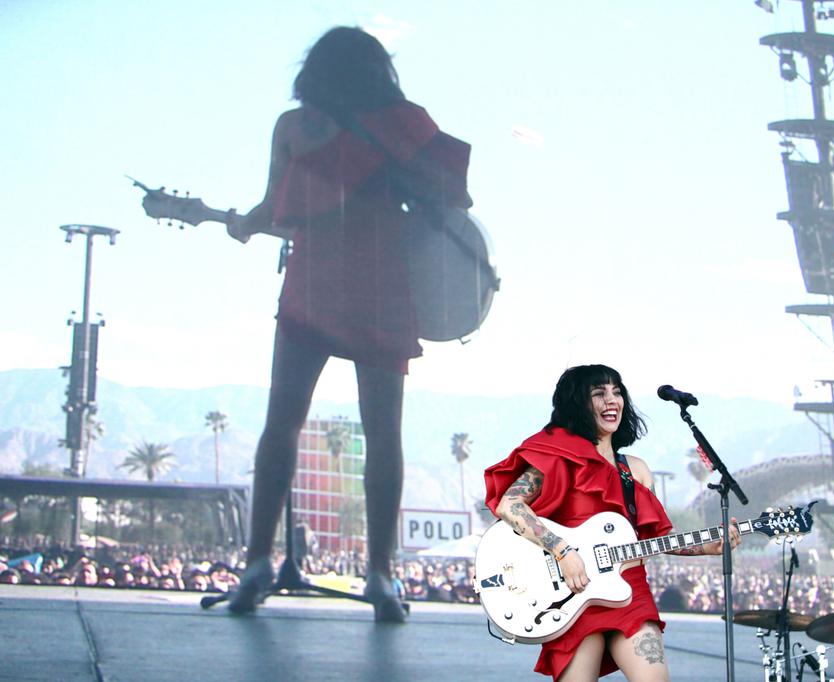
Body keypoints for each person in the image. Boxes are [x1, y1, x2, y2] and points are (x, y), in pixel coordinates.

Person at [223, 26, 471, 621]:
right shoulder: (405, 123)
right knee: (383, 434)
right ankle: (380, 575)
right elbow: (452, 199)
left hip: (312, 282)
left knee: (281, 424)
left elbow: (274, 209)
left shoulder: (294, 127)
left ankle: (256, 563)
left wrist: (241, 224)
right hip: (381, 284)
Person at [484, 365, 741, 682]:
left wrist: (708, 546)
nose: (612, 400)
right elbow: (510, 505)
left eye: (617, 392)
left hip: (630, 593)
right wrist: (562, 551)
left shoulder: (636, 470)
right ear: (577, 403)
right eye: (599, 393)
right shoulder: (557, 456)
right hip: (574, 594)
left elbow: (654, 537)